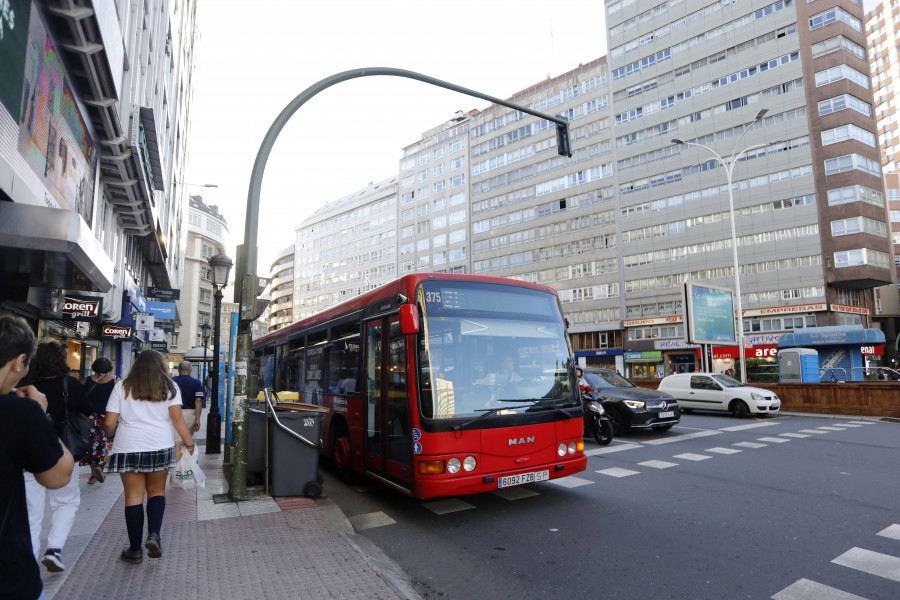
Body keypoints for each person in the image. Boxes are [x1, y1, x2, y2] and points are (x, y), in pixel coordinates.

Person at [0, 313, 74, 600]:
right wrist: (40, 415)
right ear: (19, 362)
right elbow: (58, 475)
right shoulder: (19, 413)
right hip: (9, 578)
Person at [104, 350, 195, 565]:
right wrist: (188, 443)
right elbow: (178, 419)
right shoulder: (170, 387)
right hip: (159, 445)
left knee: (133, 497)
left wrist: (109, 435)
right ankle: (154, 535)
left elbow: (109, 422)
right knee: (156, 492)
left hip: (128, 446)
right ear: (160, 366)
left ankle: (135, 550)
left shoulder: (122, 386)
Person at [24, 342, 91, 573]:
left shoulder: (25, 384)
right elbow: (87, 409)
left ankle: (29, 566)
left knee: (30, 515)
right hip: (61, 453)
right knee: (66, 502)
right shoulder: (69, 383)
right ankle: (54, 549)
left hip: (27, 455)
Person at [82, 357, 117, 484]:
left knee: (92, 444)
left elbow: (80, 398)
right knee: (105, 444)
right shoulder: (115, 381)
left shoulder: (86, 380)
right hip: (108, 417)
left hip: (90, 418)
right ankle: (100, 468)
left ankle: (93, 474)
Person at [172, 361, 204, 457]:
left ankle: (178, 466)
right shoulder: (197, 383)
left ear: (178, 369)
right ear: (190, 370)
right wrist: (198, 418)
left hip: (174, 412)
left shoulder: (171, 381)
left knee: (176, 442)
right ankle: (186, 463)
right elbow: (198, 401)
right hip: (191, 413)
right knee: (188, 440)